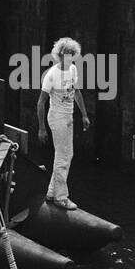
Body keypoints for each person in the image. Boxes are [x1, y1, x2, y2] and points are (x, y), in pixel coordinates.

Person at [37, 36, 90, 210]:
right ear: (59, 54)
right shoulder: (52, 75)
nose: (69, 56)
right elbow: (40, 103)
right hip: (57, 118)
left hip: (69, 117)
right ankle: (61, 197)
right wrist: (42, 128)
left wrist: (84, 115)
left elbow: (77, 92)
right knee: (62, 157)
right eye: (66, 53)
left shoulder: (73, 70)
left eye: (72, 53)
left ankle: (52, 192)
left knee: (67, 155)